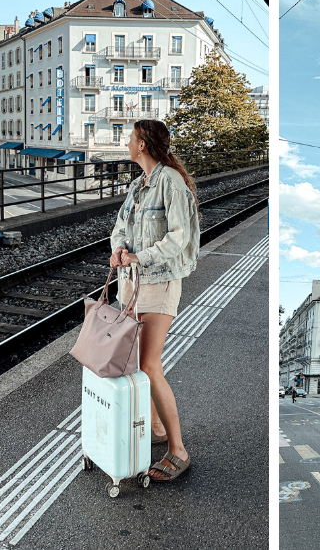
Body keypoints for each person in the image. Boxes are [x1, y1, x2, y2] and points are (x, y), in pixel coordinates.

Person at [110, 120, 200, 483]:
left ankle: (178, 450)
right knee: (133, 362)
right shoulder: (137, 186)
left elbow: (179, 237)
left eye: (131, 137)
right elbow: (119, 226)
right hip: (131, 284)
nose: (127, 142)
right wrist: (119, 249)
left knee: (149, 365)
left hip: (160, 283)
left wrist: (140, 257)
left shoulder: (171, 183)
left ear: (143, 144)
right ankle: (158, 428)